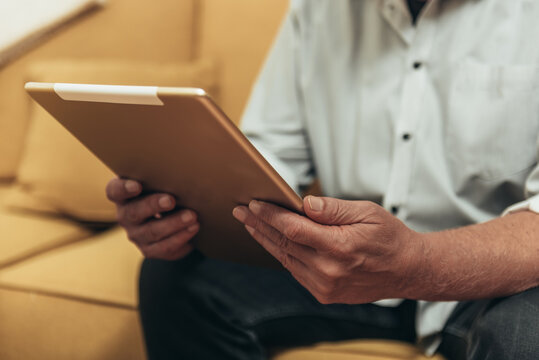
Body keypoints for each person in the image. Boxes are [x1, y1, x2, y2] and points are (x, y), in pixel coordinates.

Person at [106, 0, 539, 359]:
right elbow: (274, 152)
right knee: (176, 279)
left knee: (524, 334)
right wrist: (191, 201)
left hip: (491, 278)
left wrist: (416, 262)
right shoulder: (318, 9)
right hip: (345, 263)